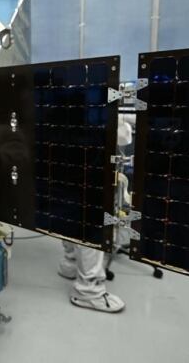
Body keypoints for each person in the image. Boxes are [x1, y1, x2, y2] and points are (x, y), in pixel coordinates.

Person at [56, 115, 134, 313]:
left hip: (64, 156)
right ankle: (88, 291)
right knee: (92, 221)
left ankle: (71, 262)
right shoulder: (100, 98)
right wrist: (123, 120)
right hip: (90, 162)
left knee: (72, 210)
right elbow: (123, 138)